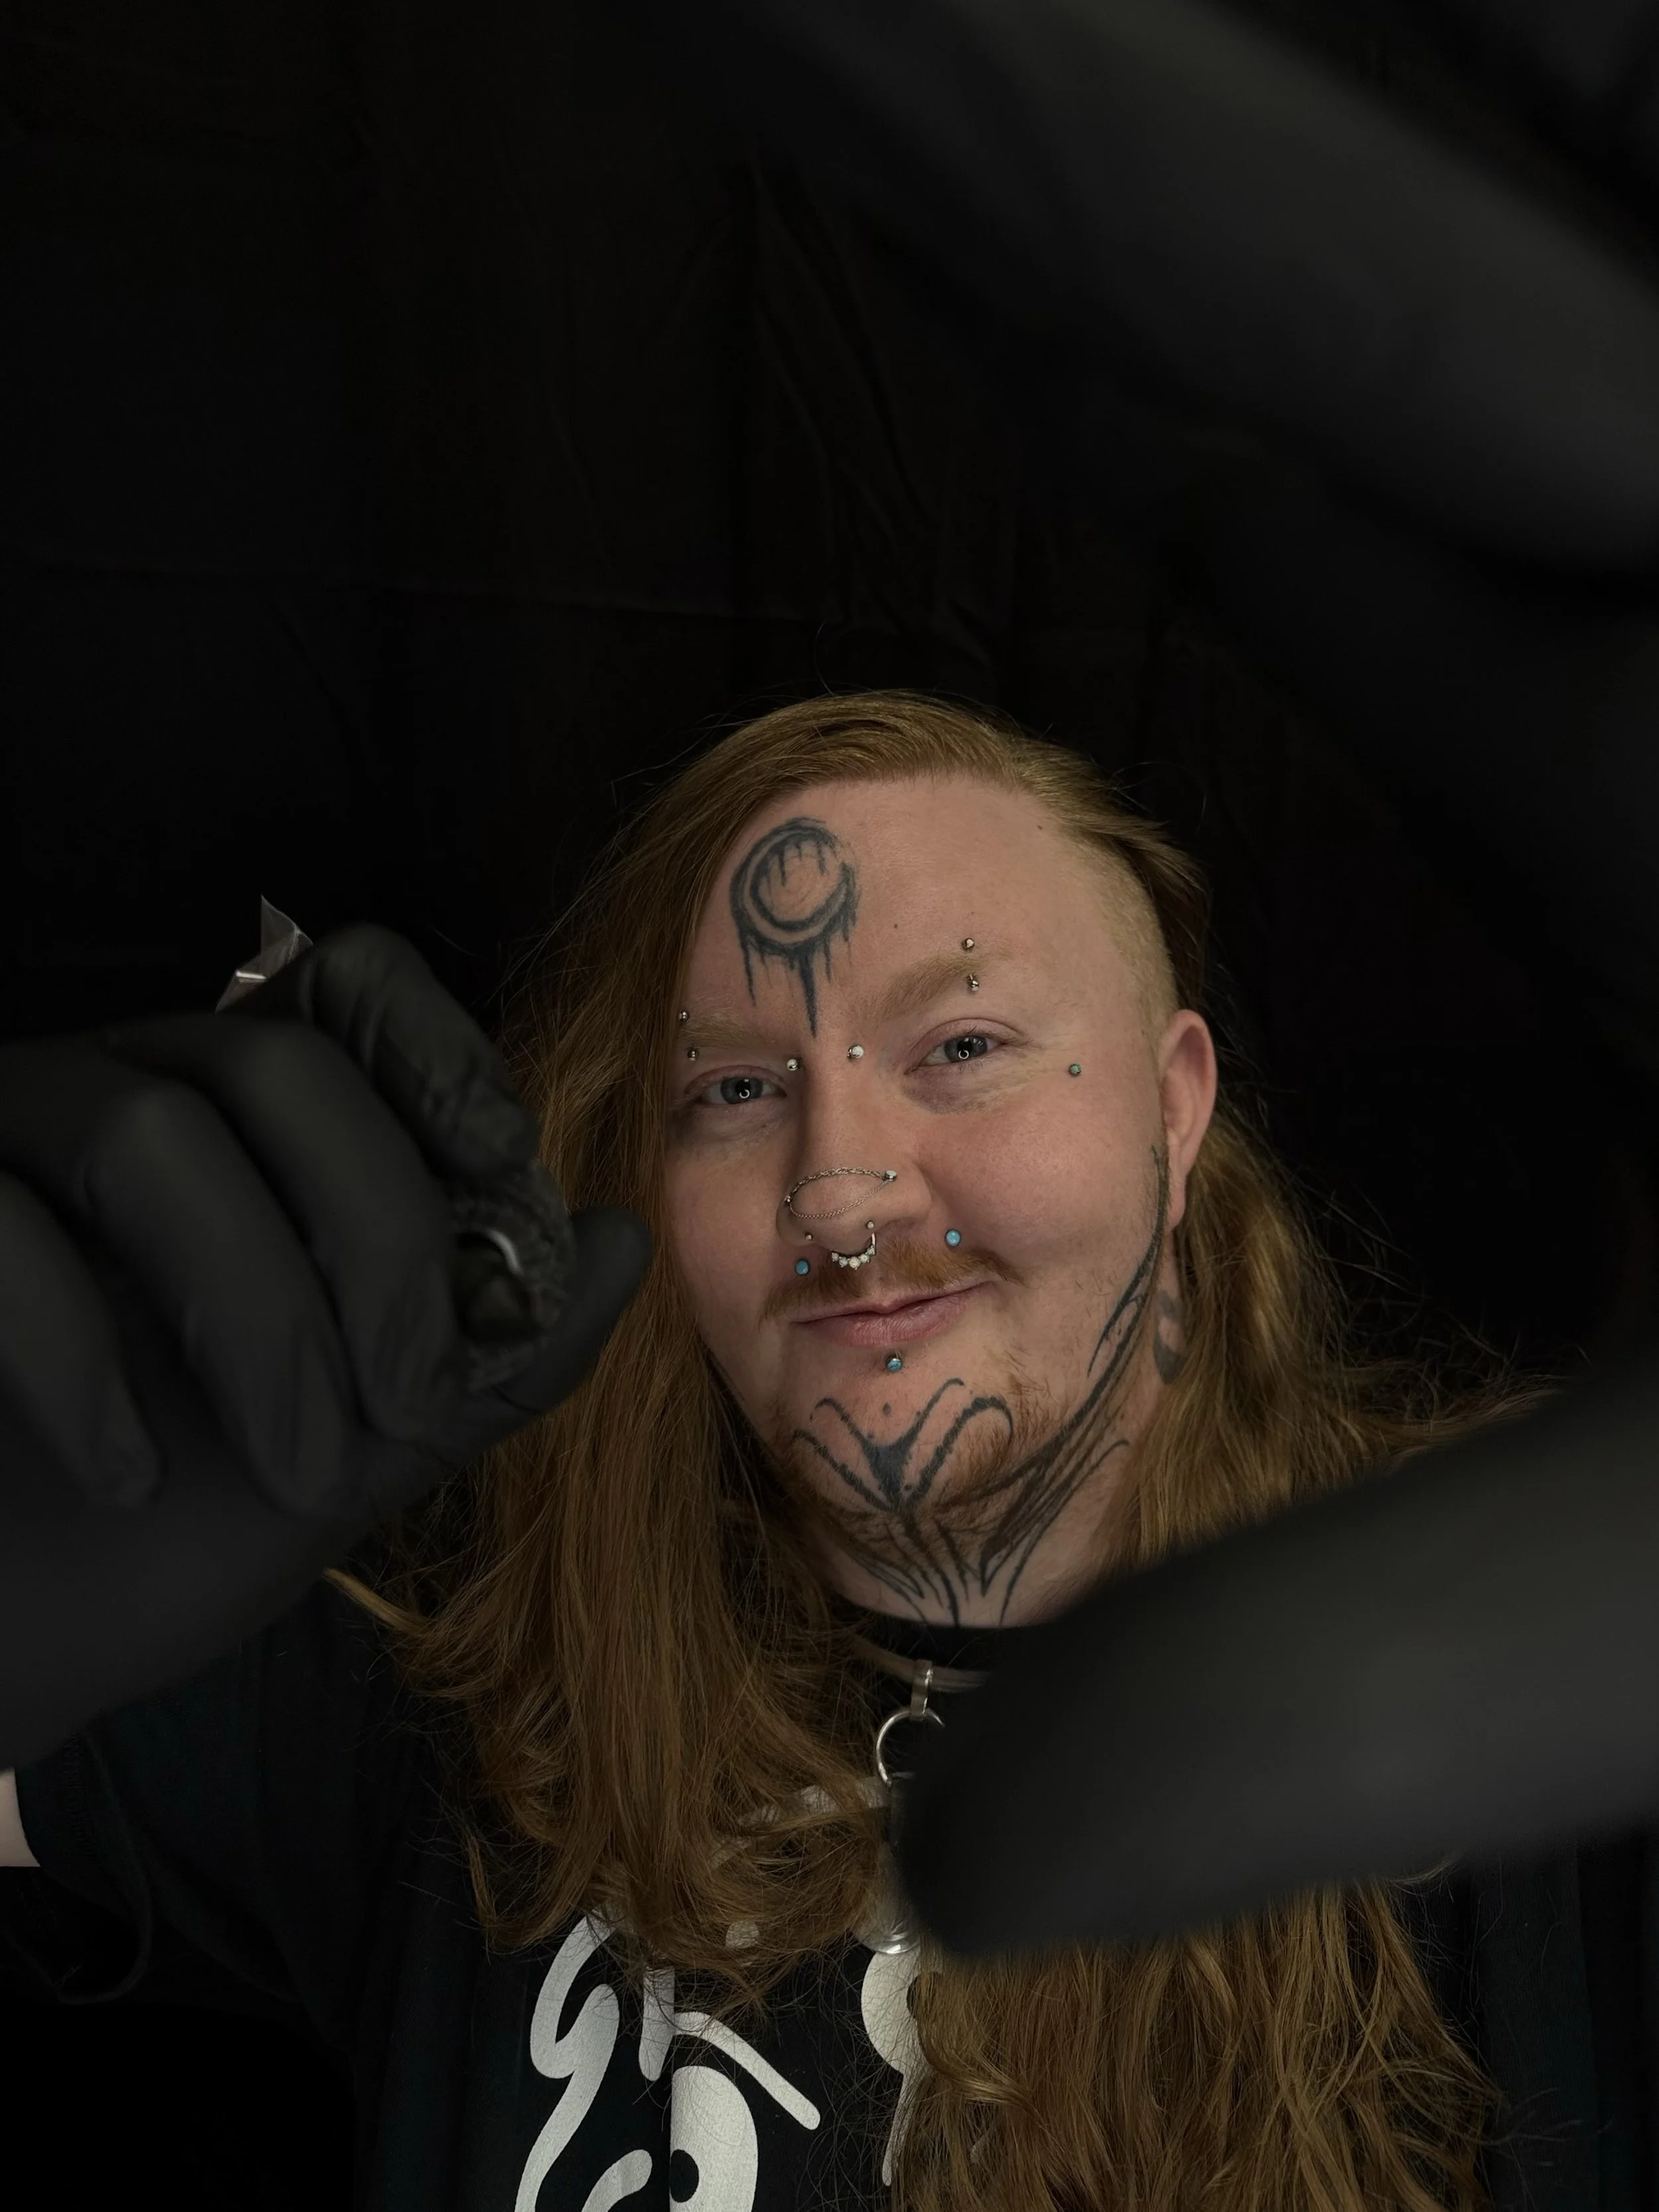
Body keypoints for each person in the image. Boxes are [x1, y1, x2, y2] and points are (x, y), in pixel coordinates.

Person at [2, 690, 1601, 2209]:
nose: (838, 1192)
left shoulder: (1514, 1709)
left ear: (1170, 1110)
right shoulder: (470, 1684)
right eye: (735, 1086)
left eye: (958, 1046)